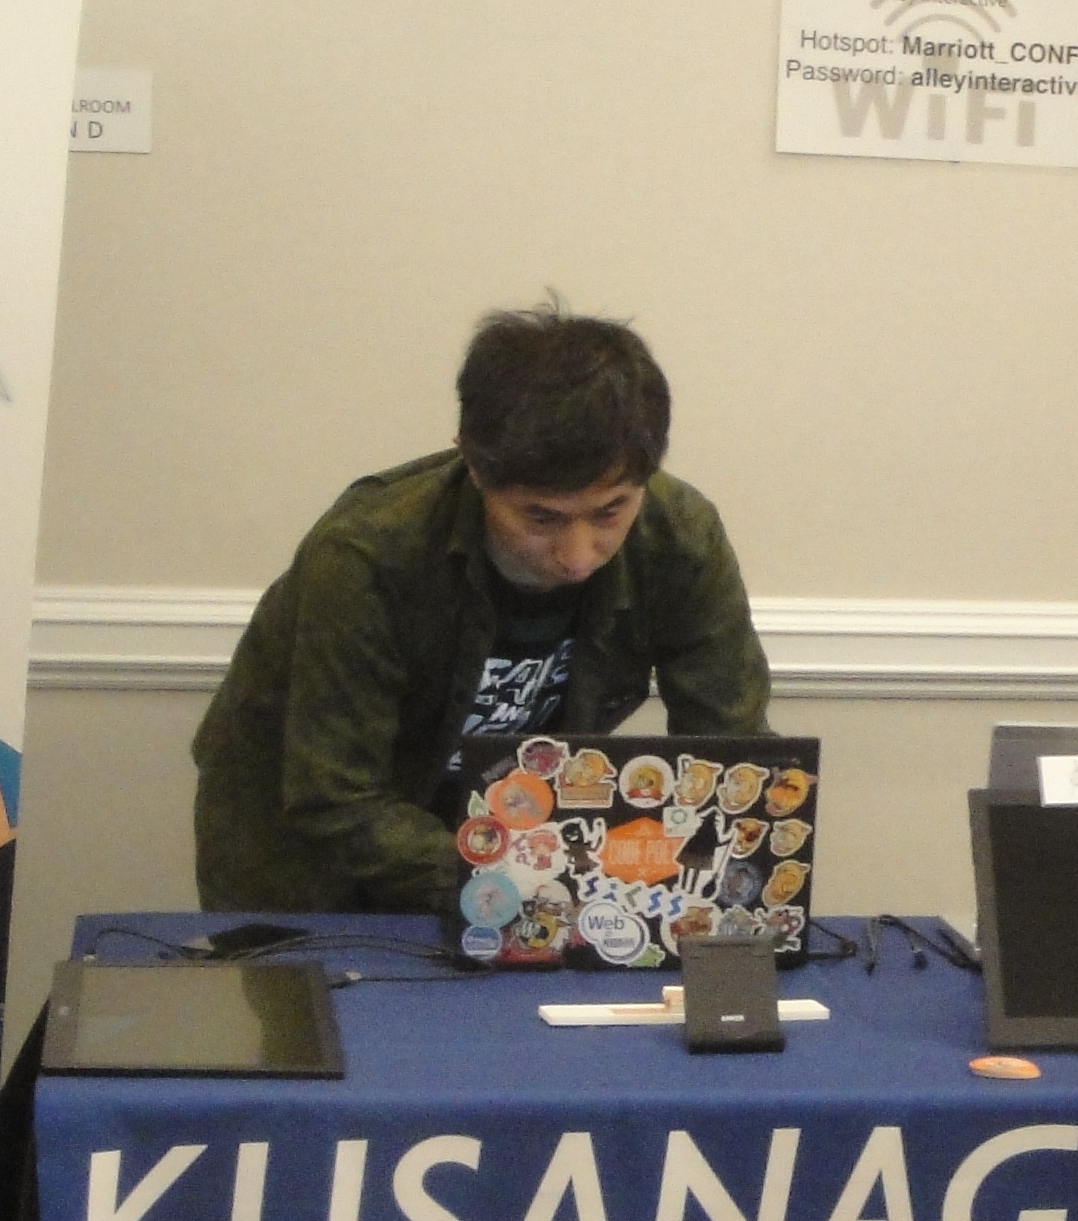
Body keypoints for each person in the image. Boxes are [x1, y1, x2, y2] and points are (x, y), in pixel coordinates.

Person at [191, 306, 769, 913]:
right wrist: (535, 881)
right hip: (304, 857)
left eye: (610, 512)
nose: (578, 558)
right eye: (541, 518)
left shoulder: (681, 540)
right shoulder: (366, 555)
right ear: (472, 463)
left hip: (515, 843)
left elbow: (730, 753)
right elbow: (333, 797)